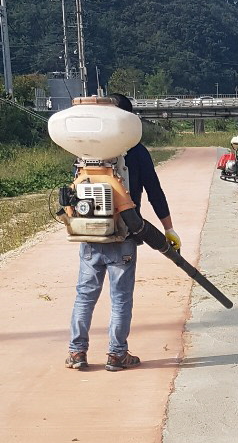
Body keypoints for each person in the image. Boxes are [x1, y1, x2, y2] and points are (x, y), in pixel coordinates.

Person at [65, 93, 181, 371]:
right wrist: (168, 228)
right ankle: (117, 354)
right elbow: (155, 192)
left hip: (89, 234)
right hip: (126, 235)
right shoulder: (137, 152)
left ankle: (77, 352)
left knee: (85, 294)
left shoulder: (87, 152)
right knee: (120, 297)